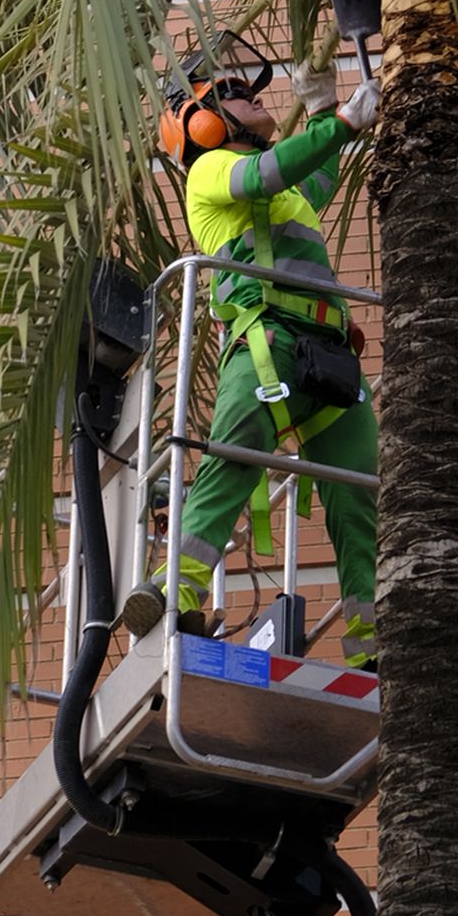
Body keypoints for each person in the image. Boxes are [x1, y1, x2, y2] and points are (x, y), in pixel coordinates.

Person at [123, 35, 380, 669]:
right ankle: (171, 592)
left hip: (326, 355)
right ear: (204, 120)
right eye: (235, 93)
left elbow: (311, 172)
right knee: (232, 463)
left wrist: (323, 107)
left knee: (358, 496)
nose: (254, 97)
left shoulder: (288, 194)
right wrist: (343, 118)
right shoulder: (210, 172)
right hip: (266, 343)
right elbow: (268, 171)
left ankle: (371, 645)